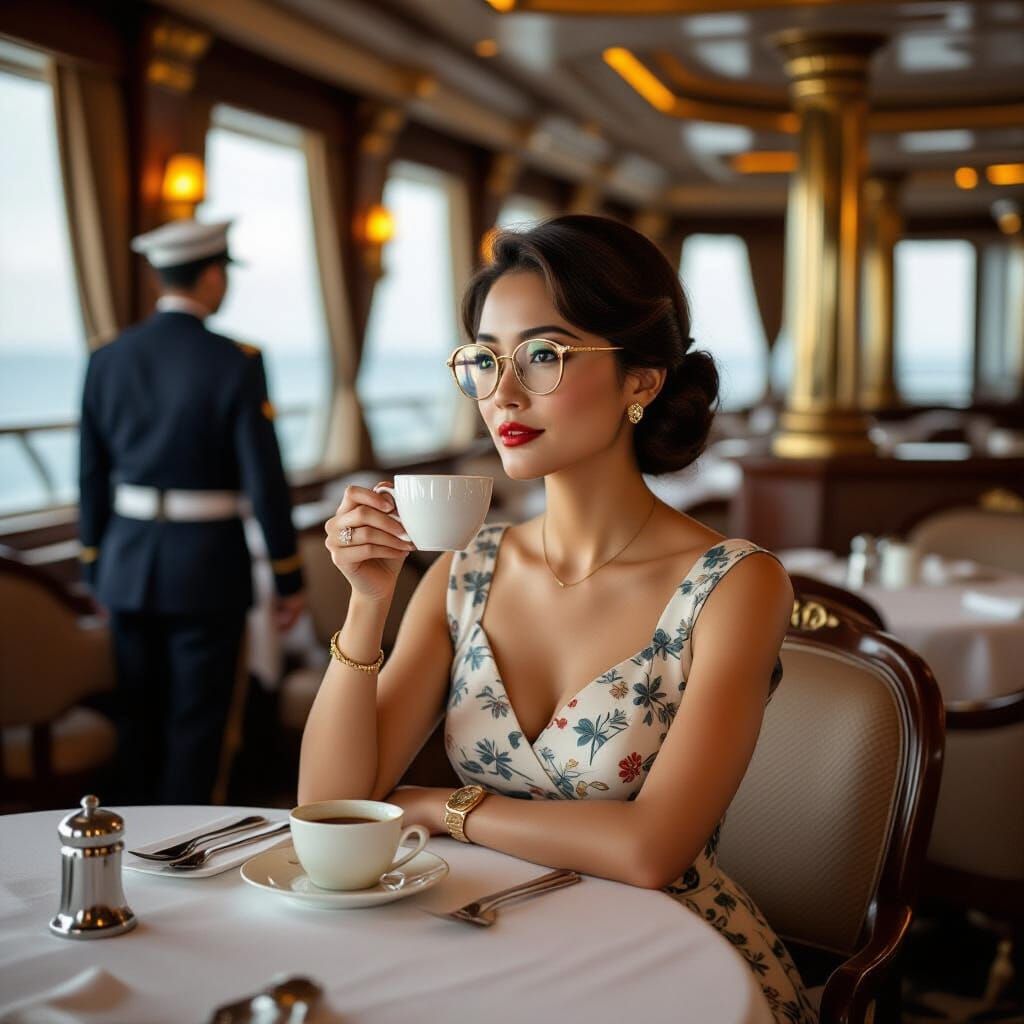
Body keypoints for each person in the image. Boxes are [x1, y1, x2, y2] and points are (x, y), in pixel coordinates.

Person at [300, 215, 815, 1023]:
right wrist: (368, 603)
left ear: (641, 382)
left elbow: (651, 851)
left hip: (665, 955)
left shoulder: (734, 585)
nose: (503, 390)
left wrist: (442, 807)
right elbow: (334, 810)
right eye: (485, 358)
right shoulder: (464, 571)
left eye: (544, 355)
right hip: (483, 932)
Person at [79, 218, 306, 804]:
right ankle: (184, 848)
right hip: (206, 566)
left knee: (138, 718)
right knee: (197, 725)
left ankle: (124, 855)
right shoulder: (234, 360)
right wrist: (288, 574)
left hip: (126, 561)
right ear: (209, 277)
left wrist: (92, 565)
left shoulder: (108, 357)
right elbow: (265, 479)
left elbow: (90, 472)